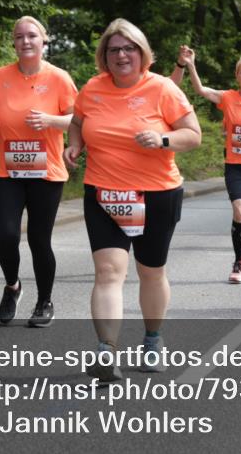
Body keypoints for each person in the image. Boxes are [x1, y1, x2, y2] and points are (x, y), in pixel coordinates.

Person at [66, 19, 201, 380]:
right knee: (108, 271)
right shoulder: (93, 88)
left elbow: (193, 134)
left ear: (143, 54)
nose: (121, 55)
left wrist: (163, 140)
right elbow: (77, 121)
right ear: (104, 57)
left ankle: (153, 339)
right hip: (104, 194)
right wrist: (75, 143)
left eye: (129, 49)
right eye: (114, 50)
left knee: (150, 271)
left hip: (157, 194)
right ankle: (106, 351)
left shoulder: (163, 89)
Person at [0, 17, 77, 327]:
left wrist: (51, 120)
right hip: (6, 169)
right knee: (6, 236)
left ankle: (44, 301)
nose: (26, 41)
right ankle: (13, 286)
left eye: (32, 36)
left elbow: (78, 119)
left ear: (43, 40)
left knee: (39, 239)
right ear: (14, 42)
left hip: (46, 170)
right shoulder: (1, 76)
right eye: (19, 36)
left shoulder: (60, 78)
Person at [173, 46, 241, 282]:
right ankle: (239, 263)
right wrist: (190, 64)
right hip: (236, 166)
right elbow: (200, 90)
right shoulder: (228, 97)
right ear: (237, 76)